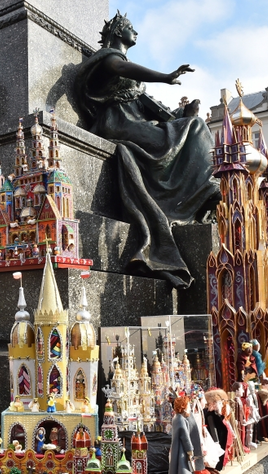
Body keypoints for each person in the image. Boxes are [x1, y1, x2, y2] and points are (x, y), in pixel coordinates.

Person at [74, 12, 220, 289]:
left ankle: (201, 190)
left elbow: (155, 109)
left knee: (194, 124)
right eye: (130, 28)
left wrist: (182, 114)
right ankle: (204, 189)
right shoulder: (107, 58)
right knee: (196, 128)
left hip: (134, 122)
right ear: (118, 32)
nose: (135, 32)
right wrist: (164, 77)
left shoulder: (128, 73)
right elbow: (123, 69)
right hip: (118, 124)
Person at [169, 395, 195, 474]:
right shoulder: (180, 419)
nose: (189, 407)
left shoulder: (177, 418)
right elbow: (185, 436)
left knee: (182, 466)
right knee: (183, 466)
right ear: (183, 407)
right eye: (188, 405)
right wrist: (190, 449)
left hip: (178, 447)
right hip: (181, 448)